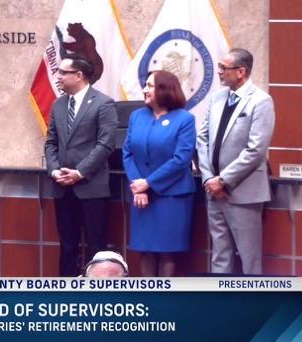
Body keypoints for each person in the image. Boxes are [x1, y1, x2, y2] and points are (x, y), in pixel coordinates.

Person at [197, 48, 275, 275]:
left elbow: (256, 150)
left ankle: (253, 308)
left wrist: (224, 180)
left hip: (243, 192)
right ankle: (221, 305)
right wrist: (209, 179)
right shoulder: (217, 98)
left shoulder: (261, 101)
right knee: (220, 254)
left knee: (249, 258)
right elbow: (202, 139)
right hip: (213, 191)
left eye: (223, 68)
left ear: (241, 72)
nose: (219, 72)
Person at [44, 54, 118, 277]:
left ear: (78, 75)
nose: (58, 77)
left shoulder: (103, 103)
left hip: (91, 187)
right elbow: (51, 142)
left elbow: (105, 145)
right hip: (62, 187)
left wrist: (79, 173)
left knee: (96, 247)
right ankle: (65, 294)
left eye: (62, 73)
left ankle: (97, 297)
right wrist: (54, 169)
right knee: (67, 246)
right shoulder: (58, 104)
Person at [122, 70, 196, 277]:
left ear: (164, 89)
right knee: (145, 248)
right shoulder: (137, 116)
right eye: (145, 85)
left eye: (150, 86)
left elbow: (181, 159)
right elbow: (127, 153)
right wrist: (138, 186)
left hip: (171, 195)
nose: (144, 90)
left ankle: (164, 301)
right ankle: (147, 301)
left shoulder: (184, 119)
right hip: (141, 196)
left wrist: (149, 183)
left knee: (166, 252)